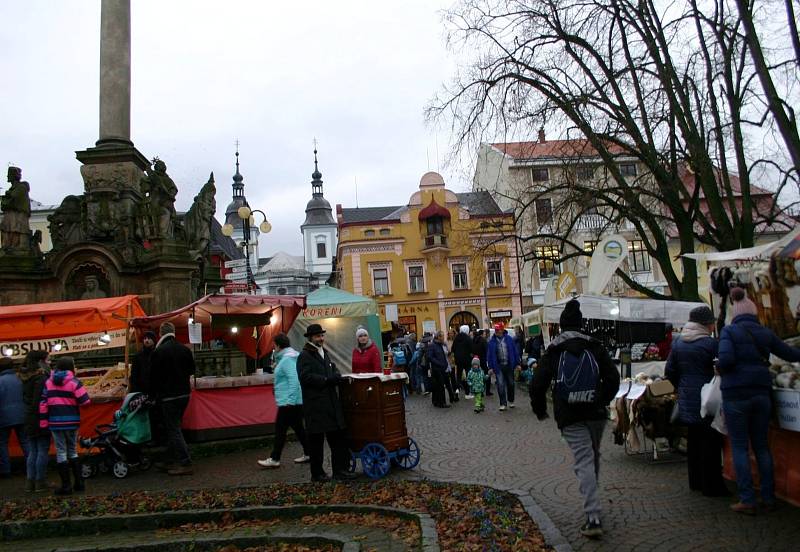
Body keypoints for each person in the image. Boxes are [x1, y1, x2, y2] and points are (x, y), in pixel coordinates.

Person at [530, 299, 619, 538]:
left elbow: (537, 384)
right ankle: (593, 500)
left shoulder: (555, 350)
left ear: (561, 326)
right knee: (591, 456)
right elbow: (613, 378)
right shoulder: (595, 345)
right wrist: (601, 399)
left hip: (569, 414)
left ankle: (593, 516)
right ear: (581, 324)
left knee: (584, 460)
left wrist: (540, 410)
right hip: (595, 413)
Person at [718, 287, 800, 514]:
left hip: (736, 394)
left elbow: (725, 360)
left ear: (735, 313)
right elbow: (790, 353)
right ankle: (768, 495)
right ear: (754, 313)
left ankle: (747, 499)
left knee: (740, 447)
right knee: (763, 446)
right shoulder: (764, 332)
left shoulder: (729, 332)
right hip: (762, 392)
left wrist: (721, 368)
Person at [664, 305, 729, 497]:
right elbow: (720, 371)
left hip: (687, 399)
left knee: (693, 441)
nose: (712, 326)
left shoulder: (678, 343)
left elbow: (670, 372)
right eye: (711, 323)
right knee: (710, 442)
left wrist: (681, 388)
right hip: (708, 400)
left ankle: (695, 481)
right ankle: (712, 486)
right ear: (706, 324)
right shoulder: (711, 345)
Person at [296, 323, 356, 482]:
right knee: (316, 443)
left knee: (337, 438)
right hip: (316, 406)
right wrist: (326, 380)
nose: (321, 338)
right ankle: (317, 474)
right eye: (318, 336)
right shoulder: (305, 355)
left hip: (330, 404)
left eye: (322, 336)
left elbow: (333, 369)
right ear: (310, 338)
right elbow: (305, 377)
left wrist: (338, 376)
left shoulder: (324, 353)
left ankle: (340, 470)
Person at [149, 322, 195, 476]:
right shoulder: (184, 350)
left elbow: (153, 377)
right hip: (184, 394)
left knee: (174, 429)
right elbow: (191, 370)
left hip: (169, 396)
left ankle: (185, 461)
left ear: (161, 334)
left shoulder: (159, 352)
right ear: (174, 332)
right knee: (174, 427)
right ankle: (169, 459)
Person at [257, 333, 311, 468]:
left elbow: (294, 379)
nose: (273, 347)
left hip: (289, 402)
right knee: (299, 429)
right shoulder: (288, 358)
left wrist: (290, 400)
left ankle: (275, 458)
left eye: (274, 345)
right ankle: (309, 453)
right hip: (293, 401)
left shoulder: (286, 360)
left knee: (280, 429)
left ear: (278, 345)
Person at [39, 357, 90, 495]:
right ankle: (79, 483)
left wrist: (43, 422)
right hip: (72, 422)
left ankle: (66, 486)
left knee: (61, 452)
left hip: (55, 423)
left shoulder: (48, 382)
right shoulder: (74, 382)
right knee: (73, 450)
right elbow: (85, 401)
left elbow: (43, 404)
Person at [20, 351, 51, 492]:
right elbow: (40, 399)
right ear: (41, 361)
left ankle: (29, 482)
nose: (50, 362)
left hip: (27, 416)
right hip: (40, 417)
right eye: (48, 360)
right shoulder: (41, 378)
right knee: (42, 449)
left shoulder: (24, 377)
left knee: (33, 450)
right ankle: (40, 482)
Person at [0, 357, 29, 480]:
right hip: (22, 414)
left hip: (3, 416)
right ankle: (31, 468)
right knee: (25, 442)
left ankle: (5, 471)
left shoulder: (0, 381)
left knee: (2, 443)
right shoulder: (21, 379)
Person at [487, 322, 521, 411]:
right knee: (500, 384)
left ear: (502, 330)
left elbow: (515, 351)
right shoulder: (491, 342)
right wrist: (490, 367)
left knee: (511, 383)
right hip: (498, 366)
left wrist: (517, 363)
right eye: (496, 330)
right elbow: (489, 355)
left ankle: (511, 400)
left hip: (509, 365)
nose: (496, 331)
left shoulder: (509, 339)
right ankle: (503, 403)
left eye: (498, 330)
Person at [426, 330, 456, 408]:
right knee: (439, 386)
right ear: (438, 337)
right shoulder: (432, 345)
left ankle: (437, 401)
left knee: (441, 385)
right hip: (437, 369)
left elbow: (444, 355)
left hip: (443, 368)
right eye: (442, 336)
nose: (443, 338)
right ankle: (441, 403)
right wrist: (439, 363)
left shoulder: (441, 344)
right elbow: (430, 357)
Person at [452, 325, 474, 398]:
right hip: (467, 359)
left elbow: (453, 348)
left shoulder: (456, 338)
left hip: (458, 359)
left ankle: (457, 388)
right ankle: (467, 393)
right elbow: (472, 349)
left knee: (458, 375)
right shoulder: (468, 338)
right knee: (468, 376)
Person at [472, 329, 491, 396]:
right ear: (482, 334)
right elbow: (487, 350)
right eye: (484, 334)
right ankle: (487, 391)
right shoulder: (483, 340)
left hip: (476, 360)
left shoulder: (474, 340)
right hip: (483, 360)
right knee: (487, 375)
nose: (485, 335)